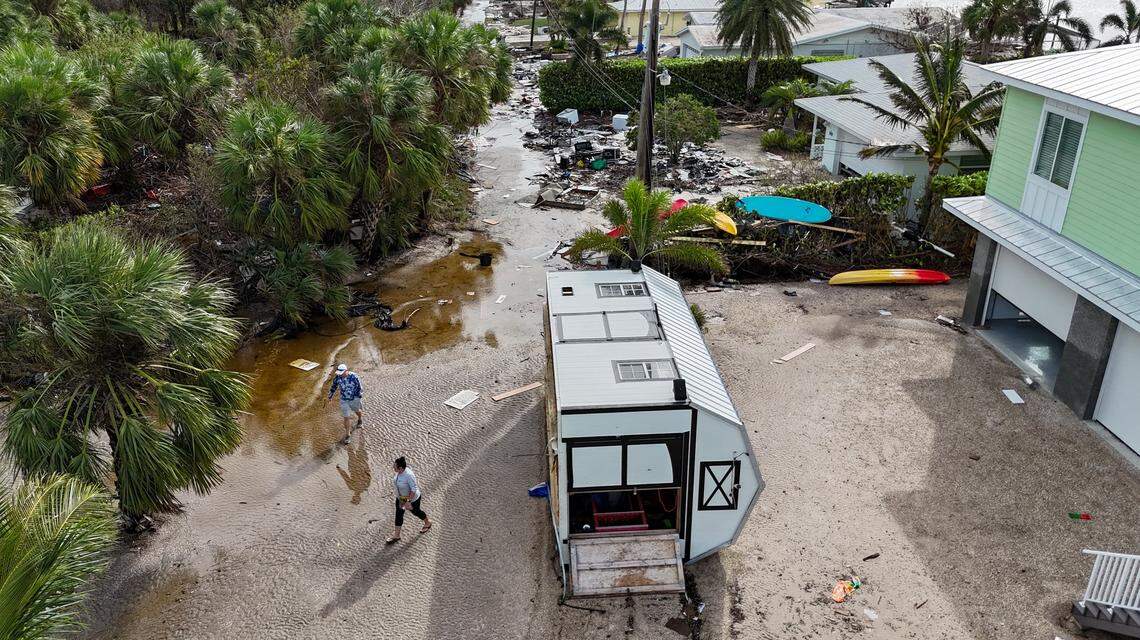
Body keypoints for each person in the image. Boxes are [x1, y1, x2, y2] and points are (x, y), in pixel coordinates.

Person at [386, 456, 431, 544]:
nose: (393, 467)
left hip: (412, 499)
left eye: (395, 466)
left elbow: (413, 489)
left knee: (416, 512)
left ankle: (428, 522)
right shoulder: (399, 473)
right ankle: (397, 535)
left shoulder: (409, 475)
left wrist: (408, 501)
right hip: (401, 498)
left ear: (401, 468)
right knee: (398, 514)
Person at [325, 363, 363, 444]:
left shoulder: (354, 376)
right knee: (346, 417)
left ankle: (360, 419)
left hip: (354, 399)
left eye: (342, 373)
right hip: (344, 400)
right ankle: (348, 435)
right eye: (339, 373)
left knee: (357, 411)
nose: (340, 374)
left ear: (346, 371)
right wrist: (330, 397)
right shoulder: (337, 378)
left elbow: (360, 388)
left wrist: (357, 398)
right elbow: (333, 387)